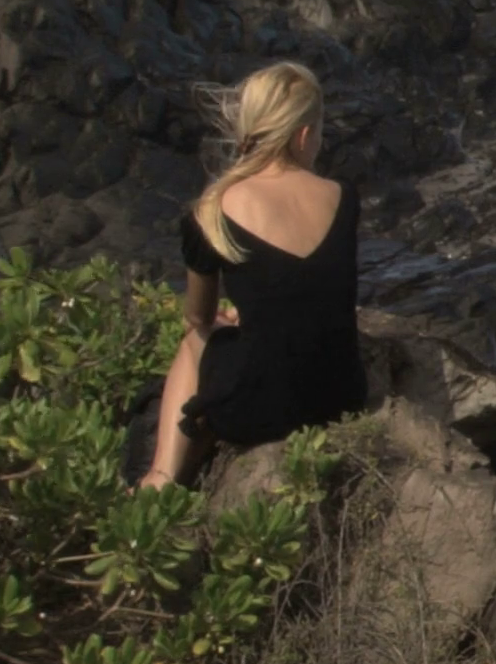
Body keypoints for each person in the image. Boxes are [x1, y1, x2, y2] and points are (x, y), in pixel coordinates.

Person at [137, 61, 368, 490]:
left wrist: (236, 321)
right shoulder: (343, 197)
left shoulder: (212, 210)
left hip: (257, 414)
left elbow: (198, 318)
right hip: (341, 401)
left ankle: (161, 477)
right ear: (304, 135)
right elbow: (313, 289)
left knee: (196, 342)